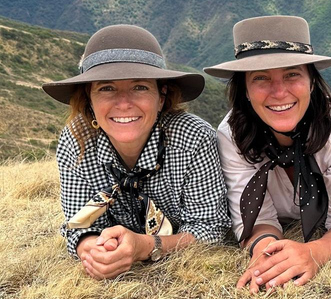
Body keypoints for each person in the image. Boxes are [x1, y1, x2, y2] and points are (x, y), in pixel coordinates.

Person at [43, 24, 231, 280]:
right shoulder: (77, 140)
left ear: (161, 97)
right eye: (107, 88)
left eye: (140, 87)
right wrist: (92, 250)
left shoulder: (193, 138)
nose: (123, 103)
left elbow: (210, 228)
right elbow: (79, 224)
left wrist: (145, 246)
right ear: (89, 99)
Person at [205, 16, 331, 292]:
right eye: (261, 78)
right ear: (245, 90)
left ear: (312, 81)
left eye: (292, 74)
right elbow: (258, 219)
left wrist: (314, 252)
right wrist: (266, 251)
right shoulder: (232, 134)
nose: (279, 92)